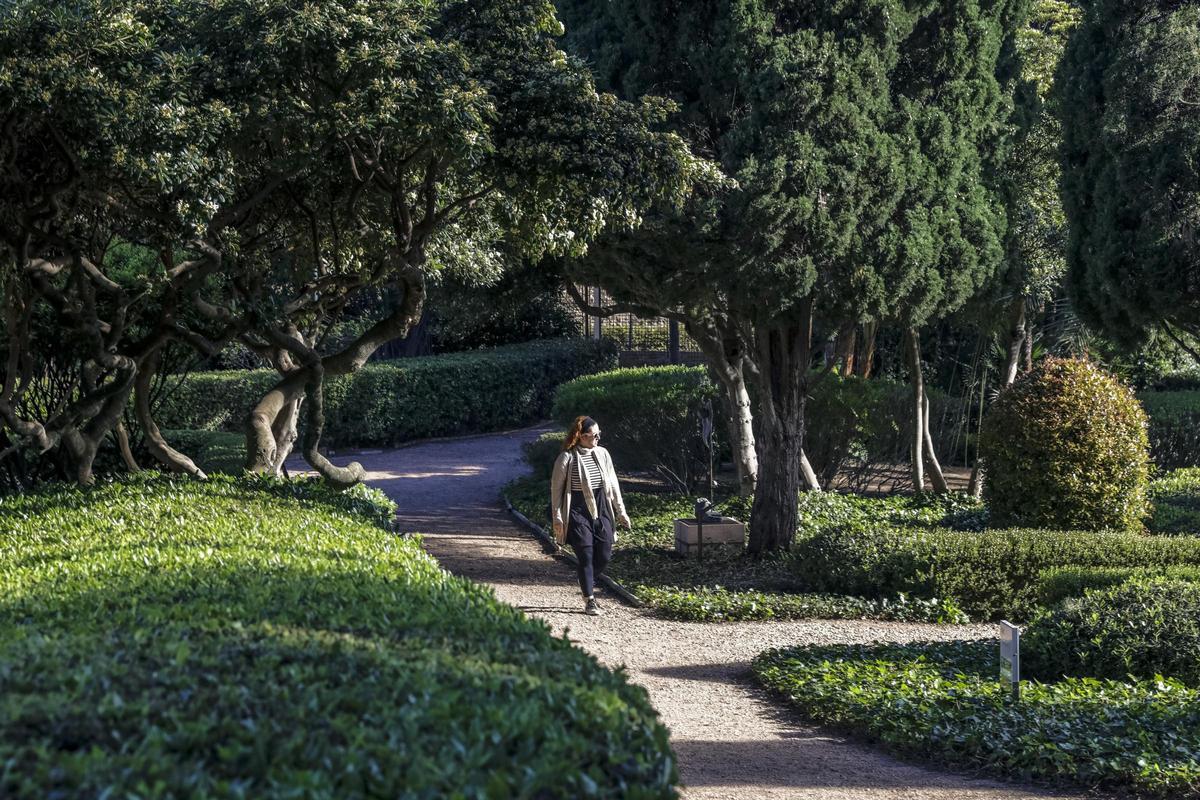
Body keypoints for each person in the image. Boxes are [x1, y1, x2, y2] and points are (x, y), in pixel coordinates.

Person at [550, 415, 631, 616]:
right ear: (581, 436)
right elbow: (556, 491)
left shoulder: (603, 454)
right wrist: (557, 516)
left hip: (601, 506)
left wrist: (621, 512)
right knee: (585, 554)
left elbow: (613, 484)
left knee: (604, 553)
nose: (597, 439)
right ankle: (590, 599)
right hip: (576, 508)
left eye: (599, 435)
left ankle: (585, 578)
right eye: (594, 435)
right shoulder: (566, 458)